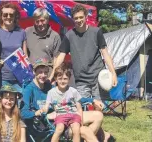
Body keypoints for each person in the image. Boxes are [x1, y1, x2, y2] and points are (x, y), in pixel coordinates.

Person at [50, 4, 117, 141]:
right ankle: (95, 137)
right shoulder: (69, 35)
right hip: (81, 81)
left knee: (99, 111)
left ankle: (90, 137)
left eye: (81, 17)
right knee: (82, 113)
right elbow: (61, 56)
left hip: (99, 79)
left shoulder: (96, 32)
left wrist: (113, 72)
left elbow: (105, 53)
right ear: (73, 19)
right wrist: (53, 74)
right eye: (76, 18)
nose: (79, 20)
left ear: (86, 17)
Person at [21, 58, 104, 142]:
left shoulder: (48, 86)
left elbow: (70, 95)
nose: (43, 75)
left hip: (66, 113)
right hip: (49, 124)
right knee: (84, 131)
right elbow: (23, 113)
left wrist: (92, 100)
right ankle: (74, 134)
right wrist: (38, 112)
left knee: (98, 116)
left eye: (46, 72)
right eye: (40, 72)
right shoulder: (29, 90)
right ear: (34, 72)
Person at [43, 63, 83, 142]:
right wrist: (44, 111)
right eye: (60, 78)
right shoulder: (51, 92)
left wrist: (81, 120)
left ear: (69, 79)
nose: (62, 81)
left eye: (65, 79)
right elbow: (46, 106)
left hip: (73, 114)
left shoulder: (73, 91)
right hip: (60, 115)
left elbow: (79, 108)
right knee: (59, 129)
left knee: (76, 130)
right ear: (56, 79)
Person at [0, 2, 27, 86]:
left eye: (11, 15)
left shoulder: (21, 32)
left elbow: (25, 54)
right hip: (2, 77)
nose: (8, 17)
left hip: (20, 76)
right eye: (5, 15)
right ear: (1, 16)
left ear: (15, 16)